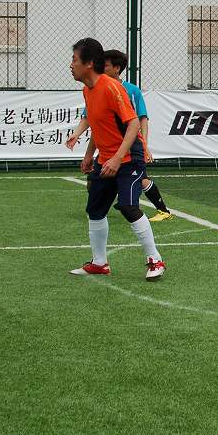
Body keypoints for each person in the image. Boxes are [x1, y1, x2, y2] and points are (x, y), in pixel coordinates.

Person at [67, 38, 166, 281]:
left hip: (130, 158)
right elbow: (99, 125)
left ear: (89, 64)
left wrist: (117, 158)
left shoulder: (112, 88)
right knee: (95, 210)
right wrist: (89, 155)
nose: (70, 65)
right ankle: (99, 263)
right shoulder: (87, 90)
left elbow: (133, 124)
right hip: (106, 159)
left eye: (74, 60)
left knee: (128, 206)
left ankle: (155, 259)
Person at [66, 49, 173, 222]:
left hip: (129, 149)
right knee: (95, 183)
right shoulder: (92, 89)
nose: (101, 68)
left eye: (106, 65)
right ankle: (108, 204)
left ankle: (162, 210)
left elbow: (140, 119)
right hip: (108, 150)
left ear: (117, 68)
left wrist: (145, 146)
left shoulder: (130, 91)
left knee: (137, 188)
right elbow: (93, 121)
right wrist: (79, 137)